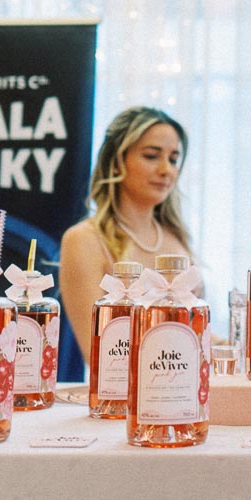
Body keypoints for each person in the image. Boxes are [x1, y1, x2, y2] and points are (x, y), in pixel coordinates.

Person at [61, 106, 196, 361]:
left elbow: (197, 333)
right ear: (116, 162)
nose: (167, 170)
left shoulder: (177, 237)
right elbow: (97, 352)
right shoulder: (84, 240)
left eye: (174, 159)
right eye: (151, 156)